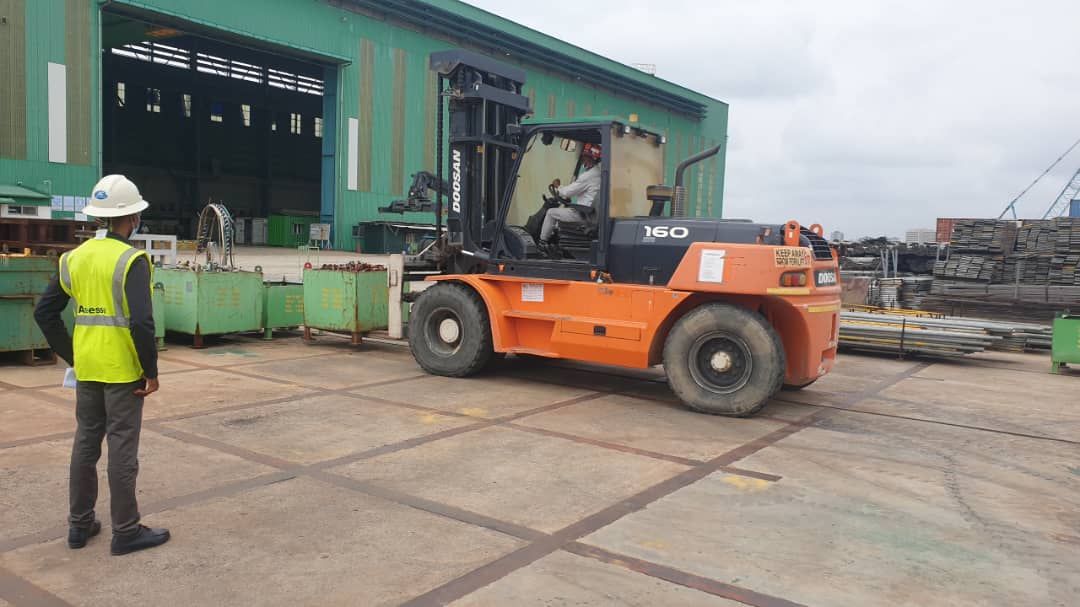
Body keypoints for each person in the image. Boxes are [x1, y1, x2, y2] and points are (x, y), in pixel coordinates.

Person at [34, 175, 170, 556]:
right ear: (130, 219)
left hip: (88, 370)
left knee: (85, 446)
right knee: (122, 451)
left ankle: (80, 526)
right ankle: (125, 531)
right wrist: (151, 370)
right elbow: (141, 322)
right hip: (124, 373)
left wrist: (74, 355)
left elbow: (45, 313)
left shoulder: (72, 259)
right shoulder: (131, 260)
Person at [539, 143, 602, 248]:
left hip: (583, 214)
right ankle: (557, 242)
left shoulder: (588, 176)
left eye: (585, 157)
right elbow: (575, 190)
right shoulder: (598, 173)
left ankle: (542, 243)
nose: (583, 159)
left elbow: (567, 192)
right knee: (560, 215)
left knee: (551, 213)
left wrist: (558, 187)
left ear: (592, 158)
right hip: (589, 213)